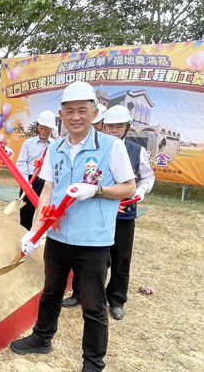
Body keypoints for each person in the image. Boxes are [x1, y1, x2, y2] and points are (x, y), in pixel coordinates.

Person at [10, 81, 136, 372]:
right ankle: (42, 338)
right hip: (57, 236)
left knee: (93, 306)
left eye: (83, 110)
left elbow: (128, 188)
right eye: (70, 111)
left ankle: (93, 362)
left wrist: (97, 191)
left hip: (92, 241)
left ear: (94, 113)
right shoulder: (55, 147)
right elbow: (47, 191)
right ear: (61, 114)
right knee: (51, 291)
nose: (76, 116)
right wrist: (34, 230)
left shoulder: (111, 146)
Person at [61, 105, 155, 321]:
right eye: (110, 126)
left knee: (121, 258)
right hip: (97, 211)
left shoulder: (136, 151)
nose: (114, 130)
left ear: (127, 128)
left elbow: (147, 176)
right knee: (86, 255)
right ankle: (79, 294)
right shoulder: (96, 148)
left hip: (124, 213)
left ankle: (117, 299)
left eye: (119, 126)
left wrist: (141, 190)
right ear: (103, 125)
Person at [15, 110, 56, 230]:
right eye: (41, 128)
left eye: (46, 129)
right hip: (29, 182)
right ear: (37, 126)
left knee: (44, 216)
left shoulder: (55, 145)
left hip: (46, 184)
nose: (42, 131)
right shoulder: (28, 143)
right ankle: (24, 241)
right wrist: (25, 183)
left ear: (51, 129)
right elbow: (21, 163)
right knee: (26, 216)